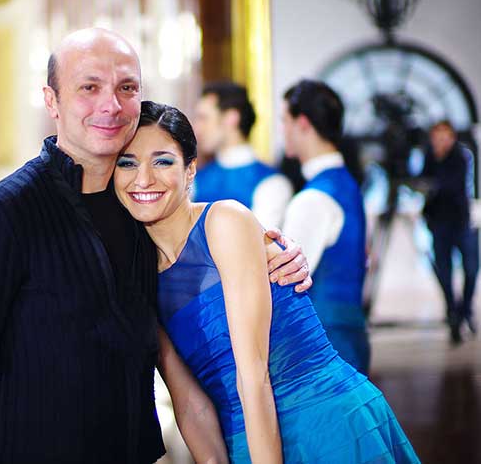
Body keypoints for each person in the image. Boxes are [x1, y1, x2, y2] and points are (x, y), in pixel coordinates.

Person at [0, 27, 310, 464]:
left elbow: (202, 258)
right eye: (89, 87)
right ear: (51, 100)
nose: (111, 105)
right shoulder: (7, 211)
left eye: (127, 87)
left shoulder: (139, 210)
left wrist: (277, 253)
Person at [114, 100, 420, 463]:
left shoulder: (224, 222)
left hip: (324, 426)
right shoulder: (137, 274)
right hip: (243, 440)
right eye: (127, 163)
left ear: (190, 169)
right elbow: (190, 405)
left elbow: (253, 376)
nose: (143, 178)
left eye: (162, 160)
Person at [281, 79, 370, 375]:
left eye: (285, 120)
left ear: (303, 123)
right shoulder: (346, 184)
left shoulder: (314, 198)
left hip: (324, 345)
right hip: (351, 333)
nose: (283, 131)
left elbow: (284, 282)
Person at [193, 82, 293, 228]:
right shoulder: (195, 180)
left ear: (231, 118)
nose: (197, 128)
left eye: (204, 118)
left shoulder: (272, 183)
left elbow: (258, 245)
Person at [422, 120, 479, 343]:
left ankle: (465, 311)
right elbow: (423, 181)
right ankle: (454, 313)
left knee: (471, 269)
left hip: (461, 221)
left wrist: (434, 187)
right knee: (443, 272)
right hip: (439, 223)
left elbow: (451, 186)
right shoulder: (430, 156)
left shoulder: (461, 156)